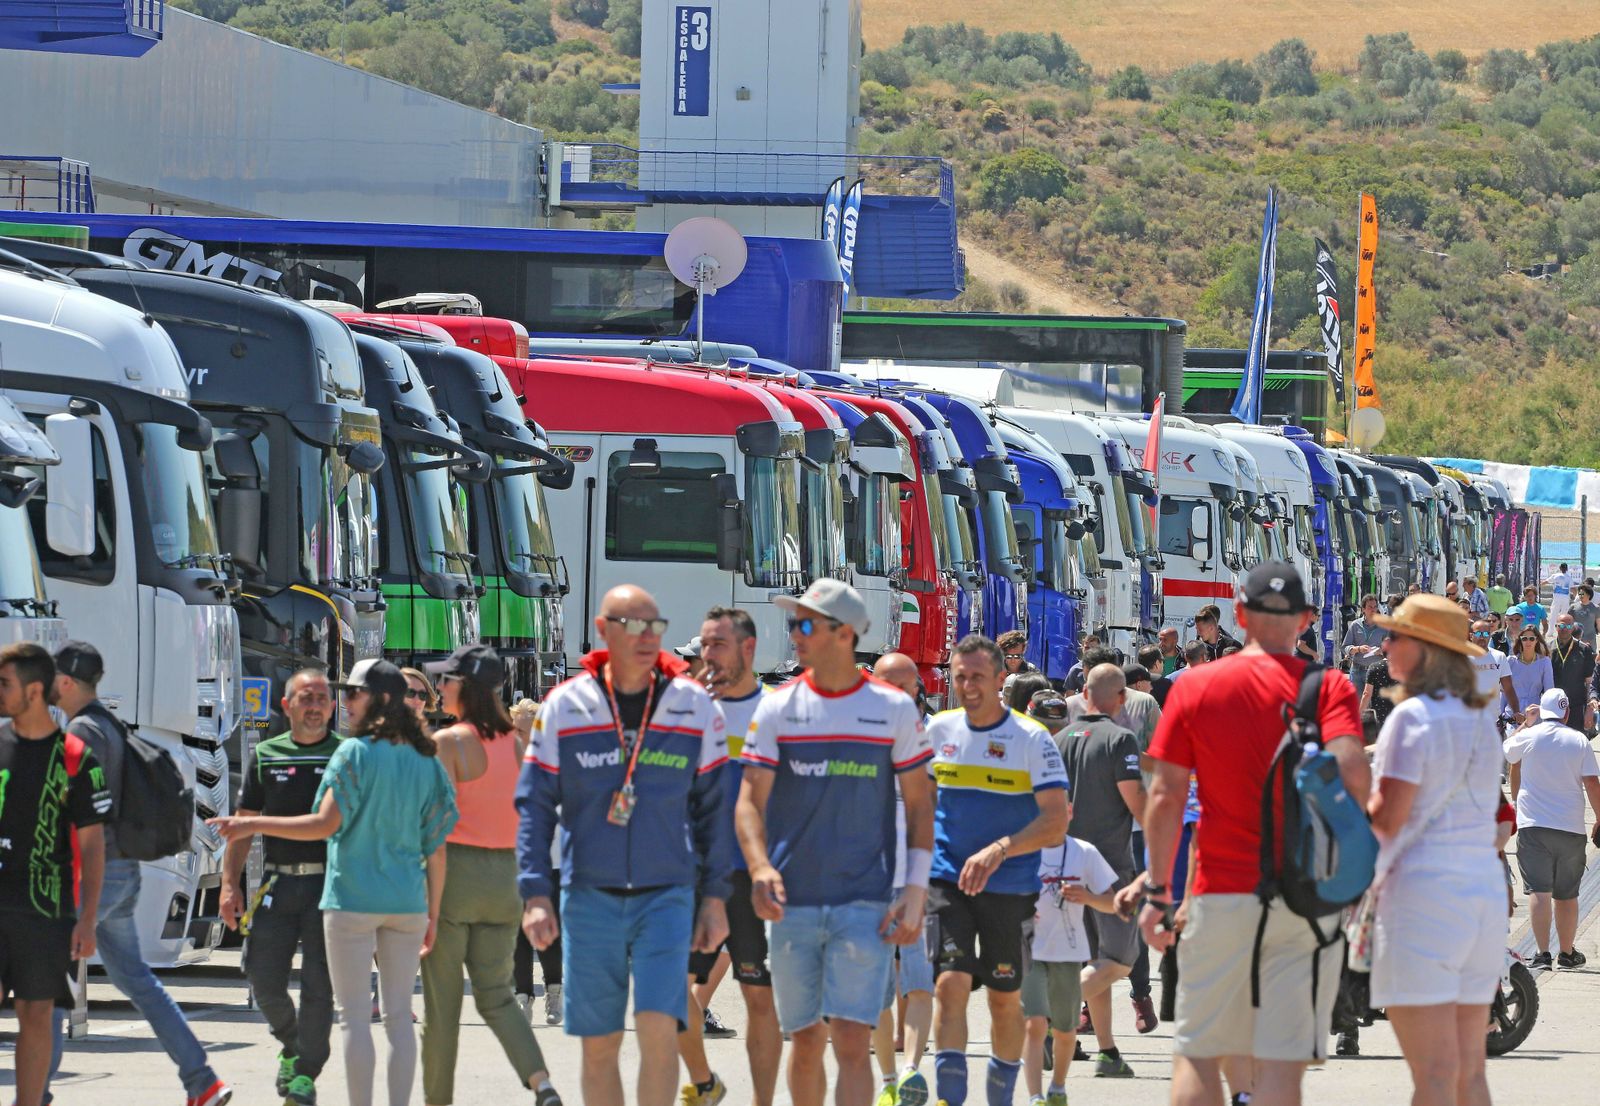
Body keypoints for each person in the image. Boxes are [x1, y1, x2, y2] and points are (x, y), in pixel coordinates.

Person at [1141, 563, 1370, 1106]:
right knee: (1281, 1071)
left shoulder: (1195, 685)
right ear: (1305, 621)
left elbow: (1166, 794)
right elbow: (1354, 778)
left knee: (1199, 1054)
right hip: (1302, 898)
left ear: (1238, 616)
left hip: (1219, 894)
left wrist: (1155, 891)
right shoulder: (1327, 687)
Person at [516, 585, 732, 1106]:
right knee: (600, 1045)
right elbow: (535, 806)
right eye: (631, 625)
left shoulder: (692, 707)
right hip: (589, 896)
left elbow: (716, 811)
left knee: (659, 1032)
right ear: (602, 629)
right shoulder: (565, 706)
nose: (645, 638)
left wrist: (716, 898)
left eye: (653, 626)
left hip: (667, 894)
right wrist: (536, 893)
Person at [211, 658, 459, 1106]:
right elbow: (437, 846)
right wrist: (434, 911)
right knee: (400, 1019)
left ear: (375, 700)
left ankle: (332, 1087)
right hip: (404, 902)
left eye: (351, 694)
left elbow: (325, 824)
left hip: (348, 898)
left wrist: (251, 826)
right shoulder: (426, 759)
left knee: (351, 1018)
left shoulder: (352, 753)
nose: (343, 703)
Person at [737, 580, 934, 1106]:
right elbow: (748, 802)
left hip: (864, 901)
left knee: (851, 1039)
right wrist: (759, 867)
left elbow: (920, 805)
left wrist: (914, 891)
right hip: (792, 903)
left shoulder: (893, 709)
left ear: (844, 634)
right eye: (794, 623)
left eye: (806, 624)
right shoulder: (778, 706)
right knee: (805, 1039)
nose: (795, 635)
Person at [51, 642, 231, 1106]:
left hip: (97, 874)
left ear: (67, 681)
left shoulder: (84, 733)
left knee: (48, 978)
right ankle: (202, 1081)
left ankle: (35, 1091)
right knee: (137, 981)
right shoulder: (107, 722)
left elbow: (79, 813)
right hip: (121, 871)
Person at [1366, 595, 1505, 1106]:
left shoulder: (1413, 717)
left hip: (1424, 895)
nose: (1385, 645)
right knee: (1469, 1073)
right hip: (1482, 894)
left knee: (1433, 1076)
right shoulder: (1479, 720)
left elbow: (1387, 818)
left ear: (1424, 650)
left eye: (1395, 636)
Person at [925, 635, 1069, 1106]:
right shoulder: (938, 730)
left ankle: (1000, 1097)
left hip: (1010, 886)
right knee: (949, 986)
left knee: (1004, 998)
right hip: (947, 880)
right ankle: (950, 1097)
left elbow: (1055, 820)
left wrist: (1000, 850)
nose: (967, 685)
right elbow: (918, 805)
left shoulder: (1029, 738)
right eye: (959, 675)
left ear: (998, 679)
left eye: (977, 677)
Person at [421, 644, 560, 1106]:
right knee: (498, 996)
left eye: (446, 680)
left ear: (466, 687)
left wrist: (430, 908)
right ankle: (541, 1083)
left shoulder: (448, 743)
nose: (439, 688)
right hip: (506, 878)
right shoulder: (517, 744)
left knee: (442, 1010)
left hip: (457, 874)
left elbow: (436, 834)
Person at [219, 667, 341, 1106]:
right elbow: (243, 826)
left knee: (318, 986)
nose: (315, 707)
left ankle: (306, 1074)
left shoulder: (345, 754)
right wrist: (229, 885)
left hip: (330, 889)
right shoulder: (267, 754)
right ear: (287, 706)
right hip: (278, 883)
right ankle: (294, 1046)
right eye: (306, 698)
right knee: (261, 976)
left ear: (332, 706)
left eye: (322, 699)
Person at [0, 643, 110, 1106]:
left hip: (45, 908)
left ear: (34, 690)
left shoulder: (77, 759)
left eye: (5, 683)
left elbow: (92, 843)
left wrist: (86, 921)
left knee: (37, 1013)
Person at [681, 608, 780, 1106]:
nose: (706, 655)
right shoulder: (682, 709)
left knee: (757, 997)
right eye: (703, 645)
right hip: (687, 874)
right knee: (668, 996)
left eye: (717, 644)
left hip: (749, 876)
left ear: (748, 649)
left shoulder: (776, 712)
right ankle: (704, 1083)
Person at [1053, 664, 1146, 1077]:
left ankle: (1107, 1051)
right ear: (1121, 699)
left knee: (1096, 958)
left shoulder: (1059, 739)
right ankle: (1048, 1013)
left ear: (1084, 694)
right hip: (1109, 866)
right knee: (1123, 957)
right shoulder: (1120, 739)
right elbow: (1135, 802)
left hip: (1065, 859)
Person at [870, 651, 938, 1106]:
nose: (897, 692)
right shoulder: (856, 733)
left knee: (918, 980)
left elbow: (934, 809)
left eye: (905, 684)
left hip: (915, 877)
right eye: (887, 682)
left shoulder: (928, 737)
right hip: (867, 879)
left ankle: (912, 1068)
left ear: (917, 689)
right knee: (876, 988)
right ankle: (890, 1077)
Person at [1020, 818, 1120, 1106]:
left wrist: (1087, 897)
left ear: (1070, 812)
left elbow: (1111, 902)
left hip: (1069, 953)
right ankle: (1035, 1096)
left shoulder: (1084, 852)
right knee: (1034, 1024)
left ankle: (1058, 1088)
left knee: (1065, 1030)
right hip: (1031, 949)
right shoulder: (1023, 848)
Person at [1504, 688, 1600, 970]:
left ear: (1542, 712)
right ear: (1567, 712)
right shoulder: (1578, 740)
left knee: (1539, 891)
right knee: (1567, 894)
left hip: (1534, 826)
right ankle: (1567, 953)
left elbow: (1507, 752)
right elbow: (1592, 783)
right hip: (1570, 827)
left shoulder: (1529, 736)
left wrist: (1526, 722)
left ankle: (1542, 953)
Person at [1467, 619, 1519, 724]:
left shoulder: (1499, 656)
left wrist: (1516, 711)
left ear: (1490, 635)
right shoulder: (1461, 657)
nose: (1482, 637)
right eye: (1478, 633)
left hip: (1491, 719)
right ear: (1471, 635)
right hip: (1467, 718)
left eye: (1486, 633)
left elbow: (1508, 687)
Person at [1549, 614, 1593, 723]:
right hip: (1552, 706)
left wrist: (1589, 709)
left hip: (1576, 706)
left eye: (1568, 627)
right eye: (1561, 626)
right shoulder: (1547, 648)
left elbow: (1589, 682)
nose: (1564, 629)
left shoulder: (1584, 649)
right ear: (1556, 627)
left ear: (1573, 628)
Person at [1341, 594, 1386, 691]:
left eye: (1375, 607)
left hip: (1376, 671)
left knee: (1374, 704)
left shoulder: (1384, 627)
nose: (1373, 610)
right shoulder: (1355, 625)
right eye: (1370, 607)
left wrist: (1382, 651)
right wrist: (1358, 649)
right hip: (1357, 671)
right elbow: (1344, 647)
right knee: (1357, 704)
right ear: (1363, 609)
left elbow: (1392, 649)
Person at [1507, 624, 1554, 717]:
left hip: (1535, 713)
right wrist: (1501, 715)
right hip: (1512, 713)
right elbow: (1504, 691)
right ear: (1520, 640)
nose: (1528, 641)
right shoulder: (1510, 661)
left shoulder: (1545, 662)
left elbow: (1549, 691)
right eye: (1524, 638)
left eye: (1531, 639)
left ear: (1537, 640)